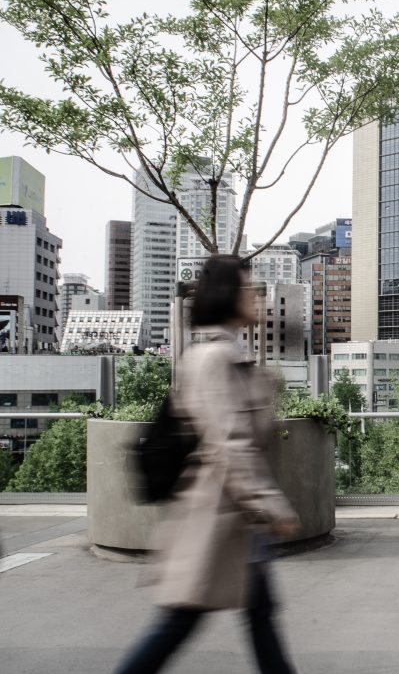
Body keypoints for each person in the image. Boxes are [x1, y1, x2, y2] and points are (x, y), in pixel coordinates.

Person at [115, 255, 299, 674]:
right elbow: (229, 444)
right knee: (180, 621)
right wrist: (271, 505)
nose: (258, 297)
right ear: (228, 294)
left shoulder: (231, 355)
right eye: (251, 289)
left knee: (259, 616)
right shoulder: (214, 359)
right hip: (217, 516)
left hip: (235, 519)